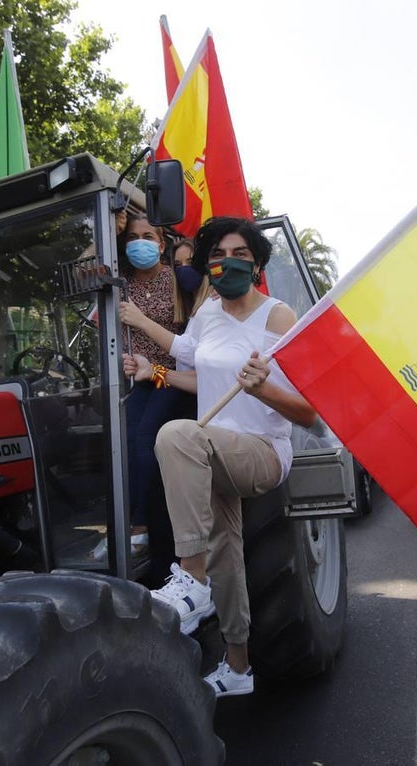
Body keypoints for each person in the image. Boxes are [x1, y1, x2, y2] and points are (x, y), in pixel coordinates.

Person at [122, 216, 317, 698]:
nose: (227, 261)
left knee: (173, 435)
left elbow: (309, 414)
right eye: (219, 254)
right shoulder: (207, 313)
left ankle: (190, 576)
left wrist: (264, 388)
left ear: (256, 265)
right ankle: (237, 667)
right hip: (213, 452)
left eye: (241, 255)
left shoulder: (278, 318)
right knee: (227, 561)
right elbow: (193, 371)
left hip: (261, 453)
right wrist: (156, 372)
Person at [93, 212, 186, 562]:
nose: (140, 243)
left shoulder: (178, 282)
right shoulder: (122, 282)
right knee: (123, 444)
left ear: (161, 245)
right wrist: (107, 224)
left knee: (147, 441)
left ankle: (145, 527)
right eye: (132, 237)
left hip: (173, 377)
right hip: (138, 378)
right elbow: (83, 274)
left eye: (148, 237)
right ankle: (125, 528)